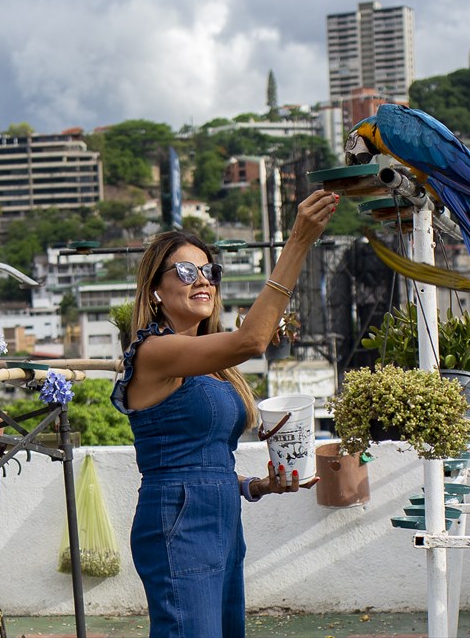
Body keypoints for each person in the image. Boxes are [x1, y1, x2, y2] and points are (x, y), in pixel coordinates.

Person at [110, 189, 340, 637]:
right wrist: (298, 242)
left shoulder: (211, 367)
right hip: (178, 521)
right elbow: (251, 341)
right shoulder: (155, 351)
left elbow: (200, 460)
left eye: (209, 271)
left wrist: (257, 485)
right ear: (156, 289)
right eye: (186, 271)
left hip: (221, 519)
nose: (203, 280)